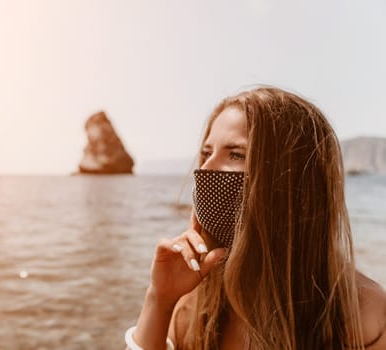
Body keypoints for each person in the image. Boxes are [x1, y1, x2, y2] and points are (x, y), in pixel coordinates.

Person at [125, 87, 386, 350]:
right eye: (206, 154)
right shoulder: (194, 303)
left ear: (293, 180)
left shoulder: (362, 311)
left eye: (236, 154)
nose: (204, 169)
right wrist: (159, 300)